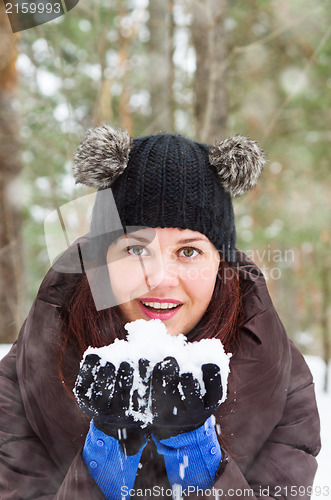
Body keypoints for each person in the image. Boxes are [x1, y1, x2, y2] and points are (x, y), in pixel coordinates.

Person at [0, 127, 320, 500]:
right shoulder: (22, 379)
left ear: (220, 263)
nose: (161, 280)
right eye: (136, 249)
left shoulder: (280, 379)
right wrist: (108, 454)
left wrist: (194, 455)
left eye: (188, 252)